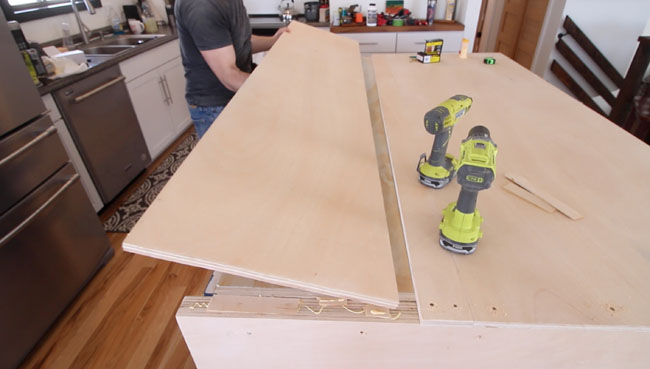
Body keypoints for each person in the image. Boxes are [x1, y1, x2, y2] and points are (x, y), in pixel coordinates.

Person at [175, 0, 288, 138]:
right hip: (214, 108)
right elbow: (230, 77)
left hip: (238, 95)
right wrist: (280, 90)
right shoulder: (201, 6)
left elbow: (239, 42)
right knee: (226, 158)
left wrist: (274, 41)